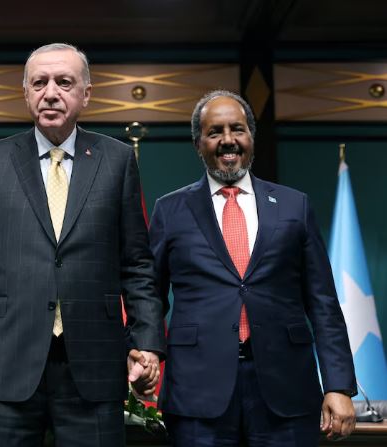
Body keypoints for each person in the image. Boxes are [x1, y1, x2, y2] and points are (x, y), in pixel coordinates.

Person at [0, 43, 165, 446]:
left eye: (64, 82)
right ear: (25, 92)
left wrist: (147, 343)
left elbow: (137, 264)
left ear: (86, 93)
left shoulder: (116, 161)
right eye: (39, 82)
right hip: (7, 361)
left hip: (95, 364)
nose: (50, 92)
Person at [149, 90, 357, 445]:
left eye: (237, 129)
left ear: (251, 138)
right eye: (215, 132)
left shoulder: (295, 205)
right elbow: (150, 295)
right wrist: (147, 352)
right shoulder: (170, 210)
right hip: (198, 391)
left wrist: (338, 385)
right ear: (198, 143)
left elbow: (322, 302)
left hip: (286, 388)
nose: (228, 140)